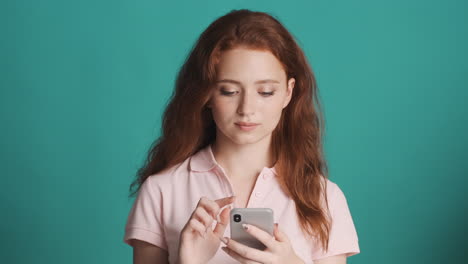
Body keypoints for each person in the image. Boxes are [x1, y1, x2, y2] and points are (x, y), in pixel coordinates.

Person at [123, 9, 360, 264]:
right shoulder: (161, 191)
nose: (247, 109)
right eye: (229, 91)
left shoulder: (324, 197)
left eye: (266, 92)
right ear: (207, 94)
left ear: (288, 93)